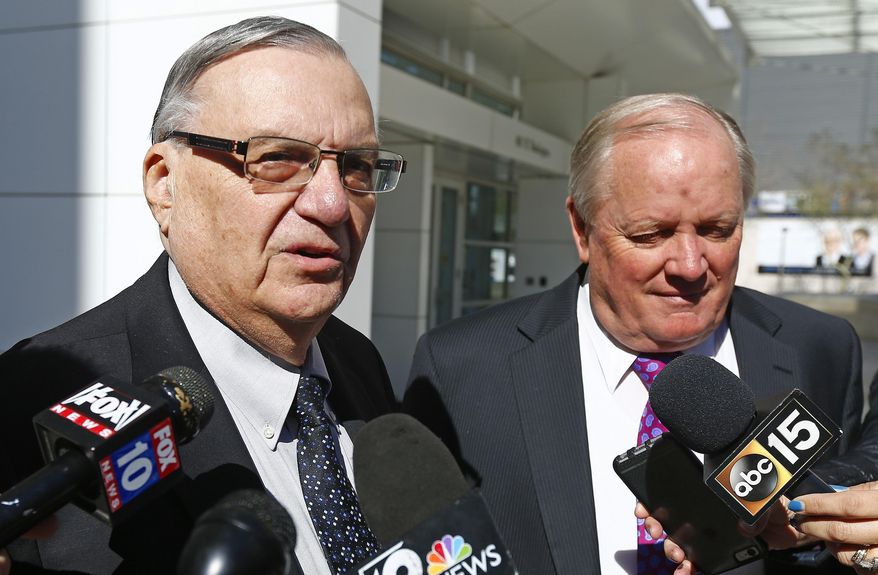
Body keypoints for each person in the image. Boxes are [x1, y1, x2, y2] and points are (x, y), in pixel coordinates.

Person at [404, 93, 875, 574]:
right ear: (581, 229)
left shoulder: (821, 347)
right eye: (650, 235)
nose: (690, 266)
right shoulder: (461, 368)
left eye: (717, 229)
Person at [0, 16, 406, 574]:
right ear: (165, 183)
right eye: (277, 158)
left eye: (357, 166)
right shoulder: (26, 403)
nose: (333, 205)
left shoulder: (357, 361)